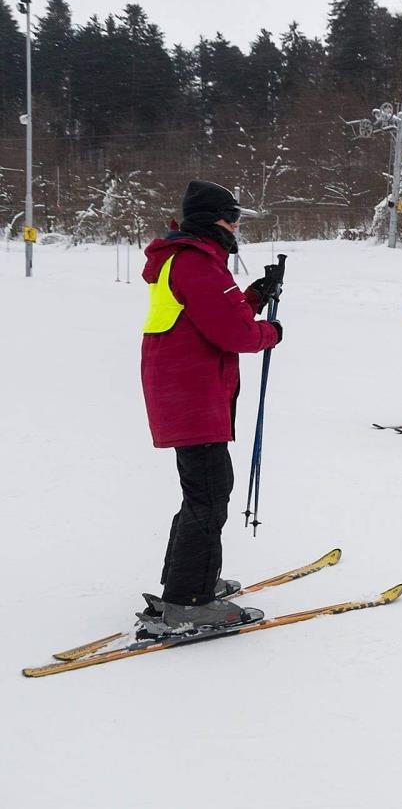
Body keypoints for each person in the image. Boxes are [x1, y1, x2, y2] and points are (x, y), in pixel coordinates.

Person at [137, 180, 282, 634]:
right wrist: (270, 331)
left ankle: (185, 583)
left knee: (202, 492)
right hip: (192, 395)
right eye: (232, 218)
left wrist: (255, 295)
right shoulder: (198, 264)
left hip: (187, 392)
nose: (237, 225)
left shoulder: (187, 260)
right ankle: (187, 600)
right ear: (211, 221)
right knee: (210, 493)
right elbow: (236, 334)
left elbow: (217, 315)